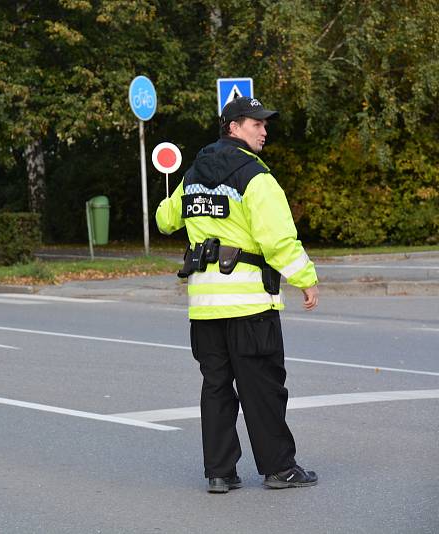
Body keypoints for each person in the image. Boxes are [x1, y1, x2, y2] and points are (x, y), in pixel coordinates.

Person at [155, 96, 320, 493]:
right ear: (233, 127)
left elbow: (164, 219)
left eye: (265, 124)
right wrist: (305, 279)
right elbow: (278, 239)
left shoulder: (193, 174)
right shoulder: (255, 177)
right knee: (261, 387)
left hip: (205, 308)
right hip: (249, 304)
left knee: (216, 387)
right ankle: (279, 468)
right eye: (256, 124)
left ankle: (220, 472)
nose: (264, 130)